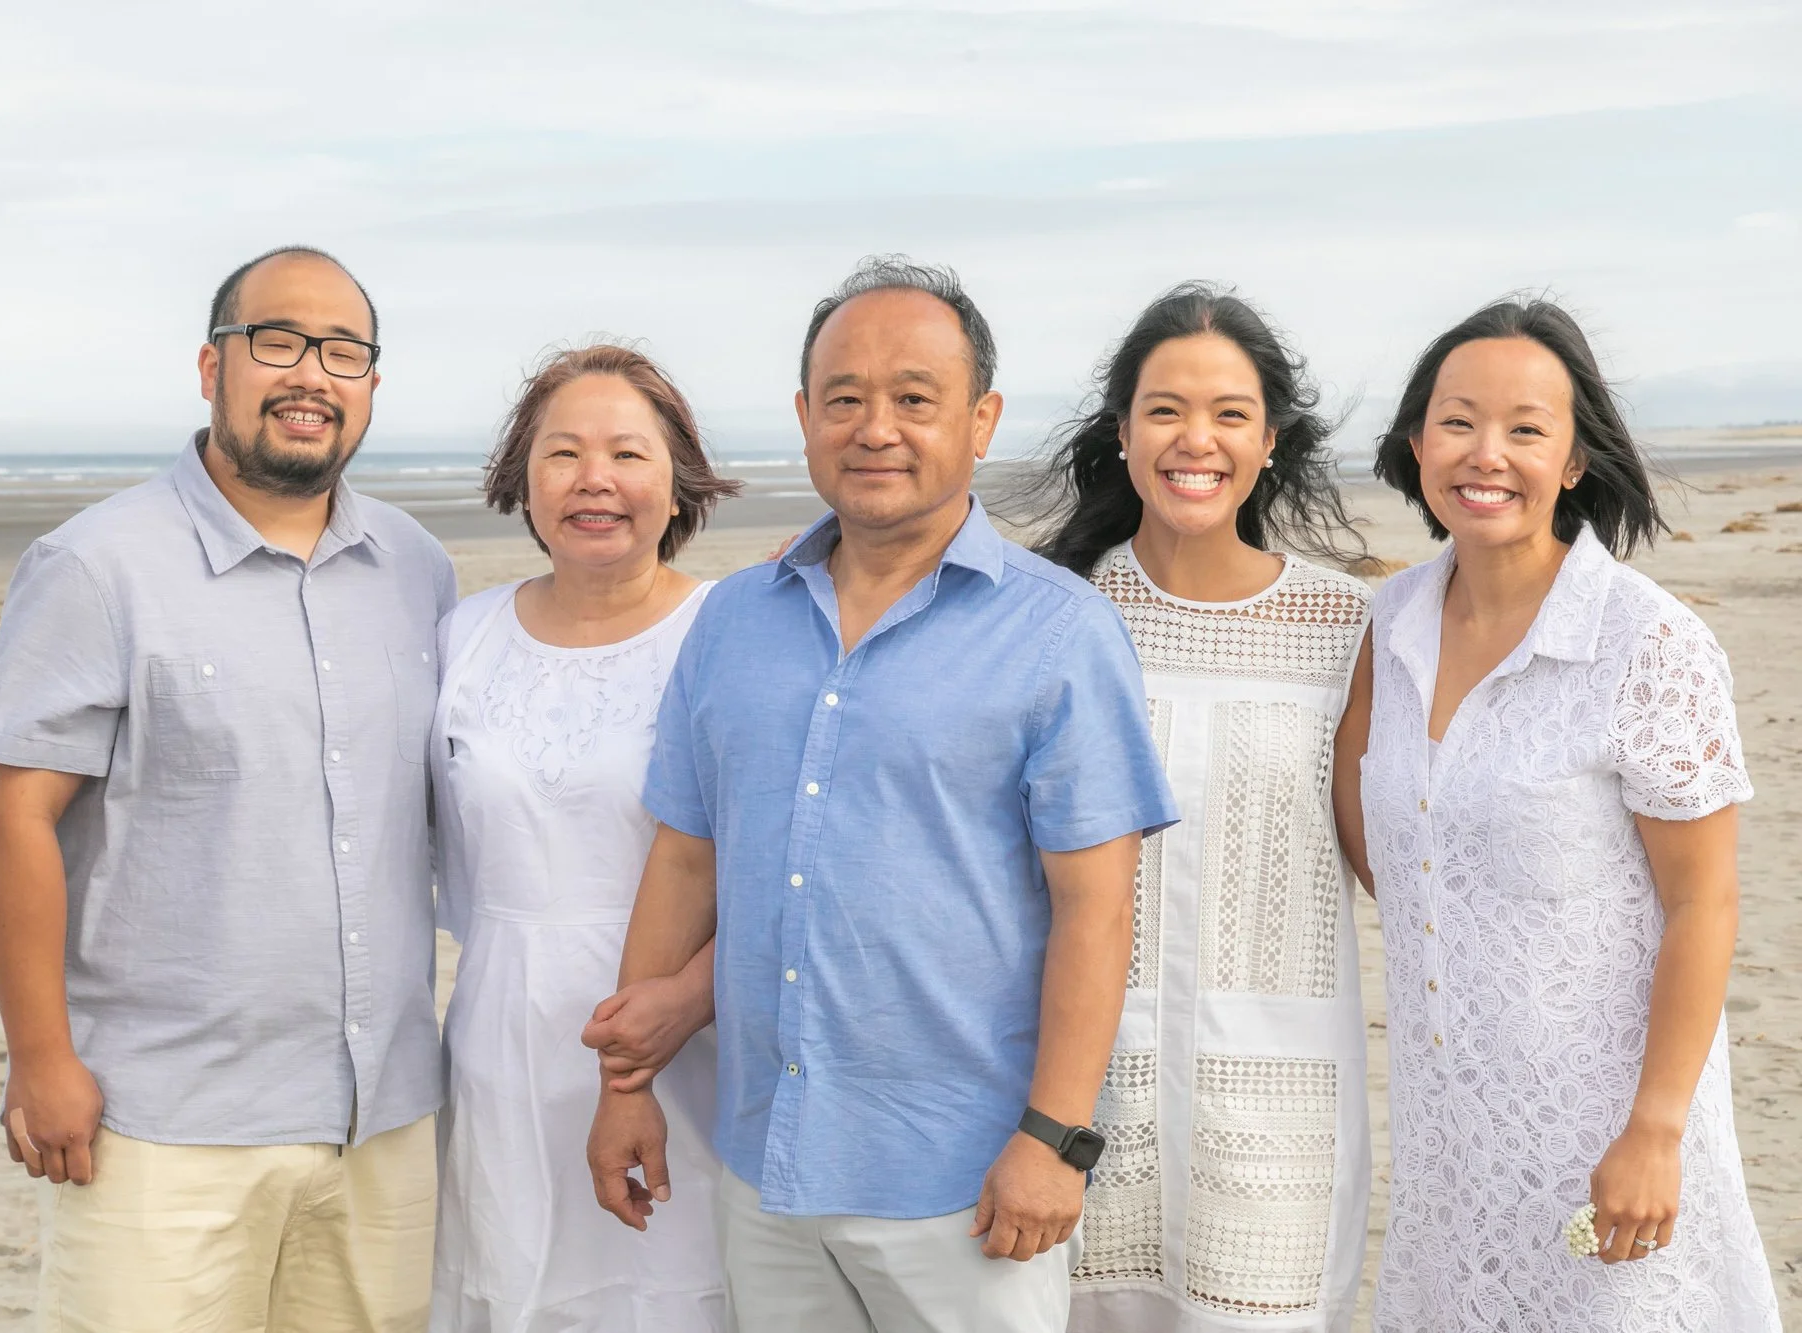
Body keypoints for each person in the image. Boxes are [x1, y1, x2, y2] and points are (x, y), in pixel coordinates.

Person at [584, 255, 1179, 1333]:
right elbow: (685, 856)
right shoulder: (732, 622)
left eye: (914, 398)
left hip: (963, 1179)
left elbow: (1097, 909)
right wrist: (623, 1090)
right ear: (805, 415)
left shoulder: (1058, 634)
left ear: (980, 418)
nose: (875, 427)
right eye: (845, 398)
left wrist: (1054, 1139)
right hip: (768, 1161)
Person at [0, 246, 455, 1332]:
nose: (308, 375)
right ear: (210, 366)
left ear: (371, 383)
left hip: (384, 1125)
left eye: (342, 351)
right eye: (274, 341)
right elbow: (12, 817)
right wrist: (40, 1060)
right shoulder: (97, 565)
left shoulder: (418, 567)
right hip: (162, 1125)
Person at [1330, 299, 1782, 1330]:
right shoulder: (1385, 627)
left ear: (1573, 461)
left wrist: (1655, 1129)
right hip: (1450, 1133)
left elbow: (1704, 903)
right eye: (1456, 420)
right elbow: (1392, 852)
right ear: (1413, 442)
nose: (1485, 453)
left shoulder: (1645, 643)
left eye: (1525, 429)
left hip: (1609, 1128)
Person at [1022, 283, 1374, 1330]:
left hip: (1278, 1106)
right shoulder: (1050, 614)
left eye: (1228, 413)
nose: (1196, 439)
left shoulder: (1344, 625)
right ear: (1121, 431)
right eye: (1165, 408)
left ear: (1269, 440)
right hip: (1079, 1089)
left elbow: (1393, 851)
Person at [428, 344, 740, 1331]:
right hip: (500, 1045)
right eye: (562, 453)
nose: (594, 479)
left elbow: (783, 866)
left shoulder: (729, 630)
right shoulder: (461, 637)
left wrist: (676, 1008)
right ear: (521, 478)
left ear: (676, 479)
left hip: (683, 1044)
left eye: (627, 454)